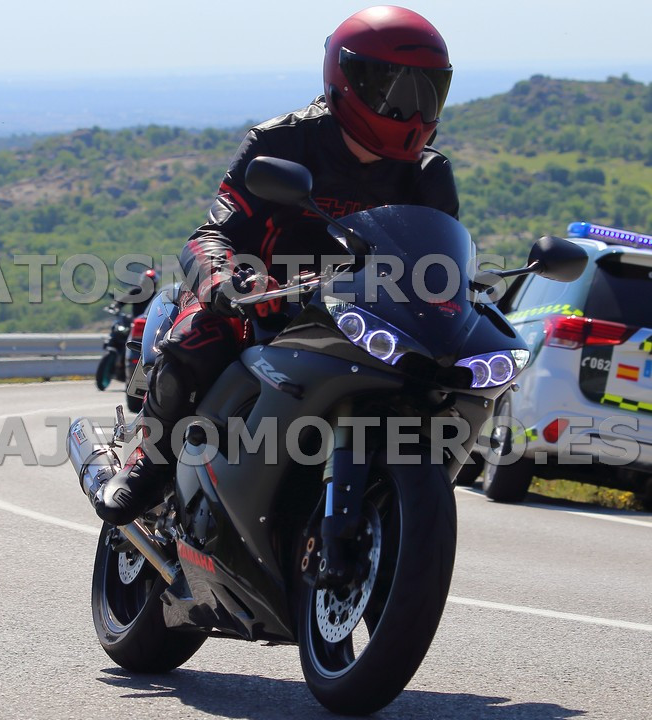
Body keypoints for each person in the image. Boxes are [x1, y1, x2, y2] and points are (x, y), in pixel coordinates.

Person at [93, 5, 460, 525]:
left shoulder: (428, 173)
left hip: (361, 316)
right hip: (263, 302)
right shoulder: (281, 141)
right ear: (347, 78)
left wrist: (459, 298)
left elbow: (439, 262)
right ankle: (149, 463)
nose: (411, 109)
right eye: (394, 89)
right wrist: (223, 280)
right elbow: (211, 233)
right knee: (201, 336)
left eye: (427, 91)